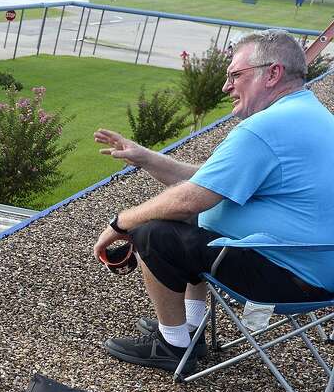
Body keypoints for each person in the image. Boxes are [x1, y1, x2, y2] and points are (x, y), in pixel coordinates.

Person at [92, 29, 334, 372]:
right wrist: (145, 157)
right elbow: (208, 181)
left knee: (154, 232)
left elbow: (191, 198)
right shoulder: (310, 115)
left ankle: (172, 345)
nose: (226, 86)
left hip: (293, 276)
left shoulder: (264, 128)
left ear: (273, 73)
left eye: (236, 75)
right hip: (319, 268)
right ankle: (191, 329)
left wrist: (121, 222)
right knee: (196, 223)